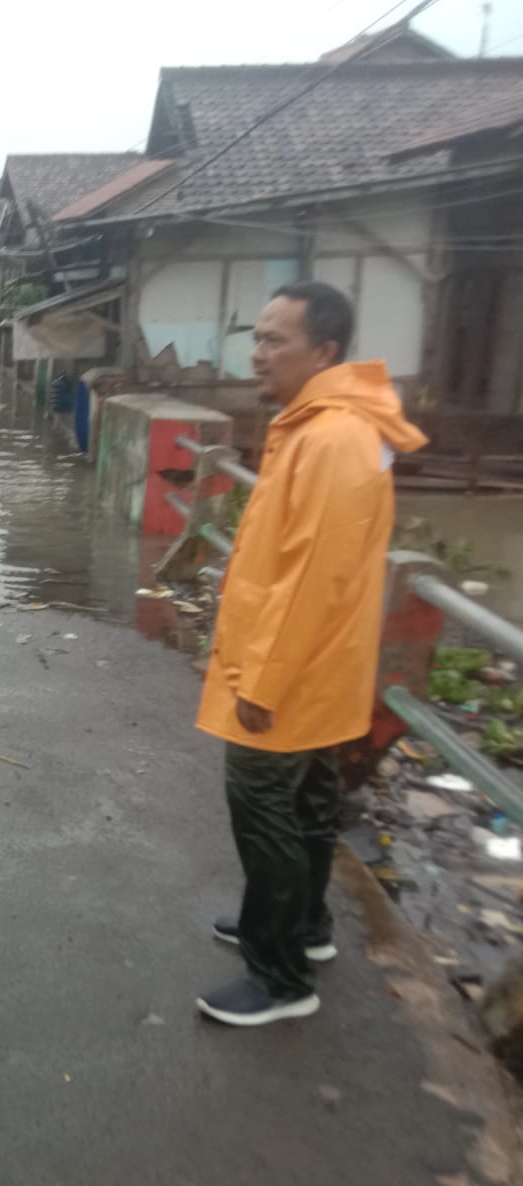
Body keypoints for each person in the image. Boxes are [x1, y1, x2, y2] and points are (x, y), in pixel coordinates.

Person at [195, 281, 426, 1027]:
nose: (258, 354)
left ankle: (280, 975)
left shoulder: (331, 438)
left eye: (275, 341)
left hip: (289, 668)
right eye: (256, 338)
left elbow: (312, 577)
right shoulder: (329, 425)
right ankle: (305, 927)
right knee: (308, 802)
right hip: (320, 664)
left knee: (264, 806)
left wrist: (261, 679)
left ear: (324, 351)